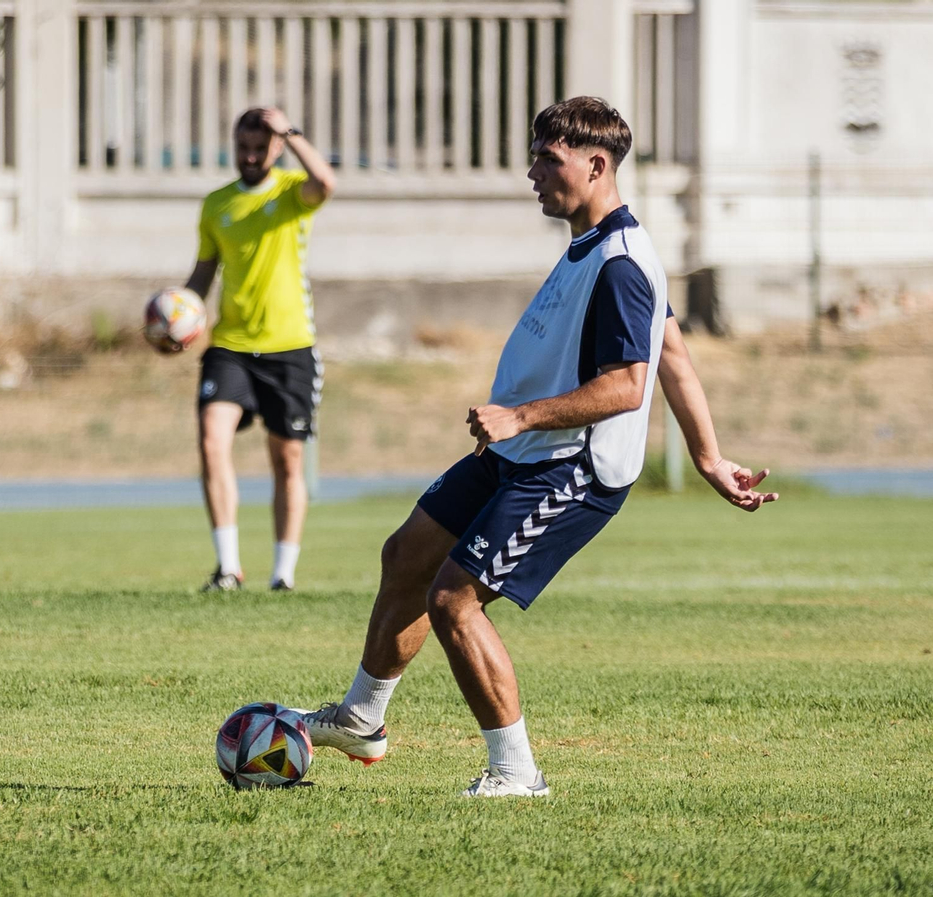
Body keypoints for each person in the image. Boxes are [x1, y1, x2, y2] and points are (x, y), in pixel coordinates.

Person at [298, 97, 778, 796]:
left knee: (455, 600)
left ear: (596, 164)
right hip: (518, 455)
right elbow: (671, 348)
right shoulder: (592, 245)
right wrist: (708, 456)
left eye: (546, 159)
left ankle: (516, 773)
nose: (531, 173)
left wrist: (520, 416)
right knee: (405, 553)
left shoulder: (619, 261)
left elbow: (626, 384)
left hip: (570, 466)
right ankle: (361, 718)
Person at [180, 106, 337, 592]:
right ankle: (227, 568)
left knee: (287, 459)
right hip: (230, 345)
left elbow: (326, 182)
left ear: (275, 148)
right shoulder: (216, 204)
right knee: (212, 440)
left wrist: (291, 131)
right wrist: (179, 316)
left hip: (290, 347)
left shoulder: (293, 192)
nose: (250, 157)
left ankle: (282, 575)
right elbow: (204, 273)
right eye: (243, 147)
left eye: (260, 147)